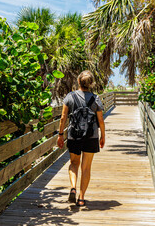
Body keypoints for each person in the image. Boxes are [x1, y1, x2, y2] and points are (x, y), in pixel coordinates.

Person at [57, 70, 105, 207]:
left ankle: (73, 187)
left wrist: (60, 135)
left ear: (78, 81)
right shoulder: (96, 99)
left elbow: (63, 118)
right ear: (91, 84)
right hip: (91, 136)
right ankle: (82, 198)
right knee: (86, 167)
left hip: (74, 135)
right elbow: (101, 120)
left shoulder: (70, 97)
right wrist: (103, 136)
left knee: (74, 163)